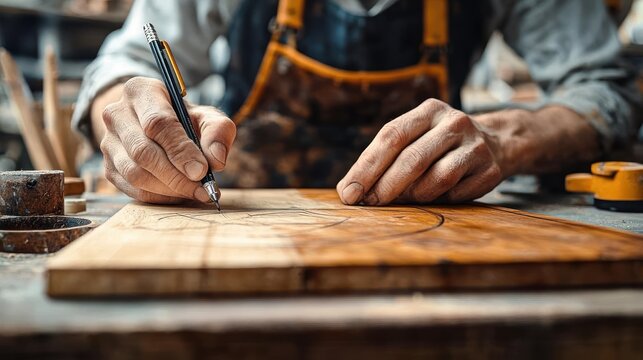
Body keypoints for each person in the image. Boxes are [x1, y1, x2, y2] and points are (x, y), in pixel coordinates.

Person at [73, 0, 641, 205]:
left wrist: (508, 138)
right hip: (242, 225)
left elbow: (604, 89)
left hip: (430, 243)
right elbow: (126, 66)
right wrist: (136, 118)